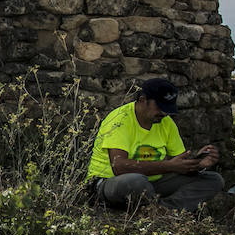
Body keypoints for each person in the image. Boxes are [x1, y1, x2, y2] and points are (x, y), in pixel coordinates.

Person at [85, 78, 224, 211]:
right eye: (159, 107)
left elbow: (180, 163)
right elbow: (119, 167)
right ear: (142, 100)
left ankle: (164, 210)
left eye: (167, 108)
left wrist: (197, 164)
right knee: (136, 182)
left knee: (213, 180)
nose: (164, 112)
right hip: (110, 183)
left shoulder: (166, 122)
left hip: (151, 184)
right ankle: (153, 208)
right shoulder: (119, 120)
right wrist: (168, 166)